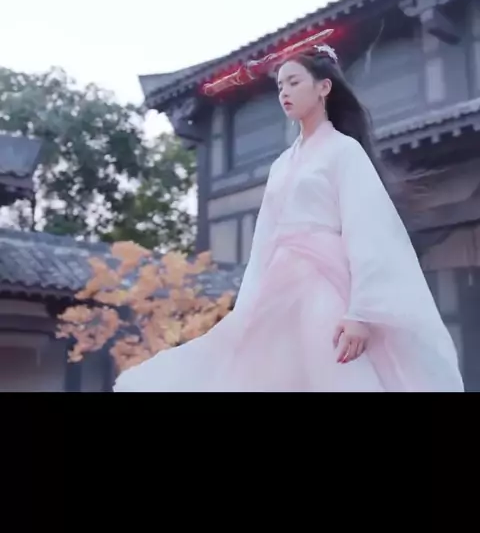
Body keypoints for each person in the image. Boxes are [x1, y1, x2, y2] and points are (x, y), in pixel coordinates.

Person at [114, 38, 464, 392]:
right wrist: (247, 308)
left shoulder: (344, 151)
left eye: (294, 82)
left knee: (332, 372)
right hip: (279, 288)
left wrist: (361, 312)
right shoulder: (281, 165)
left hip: (327, 283)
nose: (284, 92)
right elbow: (263, 242)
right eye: (281, 86)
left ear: (323, 87)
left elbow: (368, 231)